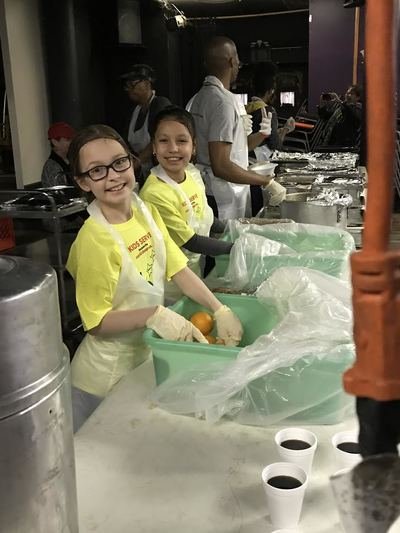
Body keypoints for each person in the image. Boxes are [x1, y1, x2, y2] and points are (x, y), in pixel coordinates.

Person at [66, 124, 243, 431]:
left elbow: (178, 269)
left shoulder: (144, 210)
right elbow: (95, 322)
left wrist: (219, 309)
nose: (113, 176)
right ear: (83, 182)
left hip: (144, 357)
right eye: (97, 171)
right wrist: (154, 314)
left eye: (119, 162)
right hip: (104, 378)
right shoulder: (94, 239)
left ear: (132, 162)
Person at [186, 36, 286, 220]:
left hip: (216, 188)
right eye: (238, 60)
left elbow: (238, 148)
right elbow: (221, 166)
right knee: (226, 241)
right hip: (221, 194)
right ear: (232, 61)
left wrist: (262, 135)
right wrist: (267, 181)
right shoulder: (221, 102)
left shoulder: (198, 98)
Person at [139, 106, 233, 300]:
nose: (173, 148)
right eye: (164, 141)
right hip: (170, 286)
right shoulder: (154, 193)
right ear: (154, 148)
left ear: (194, 146)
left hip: (194, 274)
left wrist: (235, 227)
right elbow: (192, 242)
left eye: (182, 141)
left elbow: (204, 215)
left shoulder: (191, 173)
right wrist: (238, 248)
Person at [245, 62, 295, 215]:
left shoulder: (246, 108)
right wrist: (286, 129)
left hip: (246, 165)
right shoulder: (267, 110)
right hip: (261, 170)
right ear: (271, 91)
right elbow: (275, 144)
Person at [121, 64, 171, 183]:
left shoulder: (160, 104)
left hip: (164, 173)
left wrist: (137, 162)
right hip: (146, 173)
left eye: (133, 84)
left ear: (147, 84)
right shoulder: (135, 111)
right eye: (127, 85)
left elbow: (160, 139)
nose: (129, 89)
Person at [41, 122, 76, 187]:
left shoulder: (70, 160)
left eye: (72, 139)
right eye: (68, 139)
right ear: (55, 142)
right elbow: (59, 193)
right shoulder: (51, 166)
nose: (72, 143)